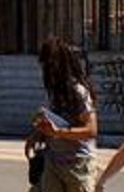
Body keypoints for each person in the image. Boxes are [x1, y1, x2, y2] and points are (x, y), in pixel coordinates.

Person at [24, 36, 99, 192]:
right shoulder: (53, 91)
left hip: (78, 166)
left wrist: (58, 132)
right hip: (53, 162)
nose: (45, 69)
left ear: (59, 65)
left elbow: (91, 130)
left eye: (49, 65)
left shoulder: (78, 92)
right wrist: (38, 134)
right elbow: (51, 120)